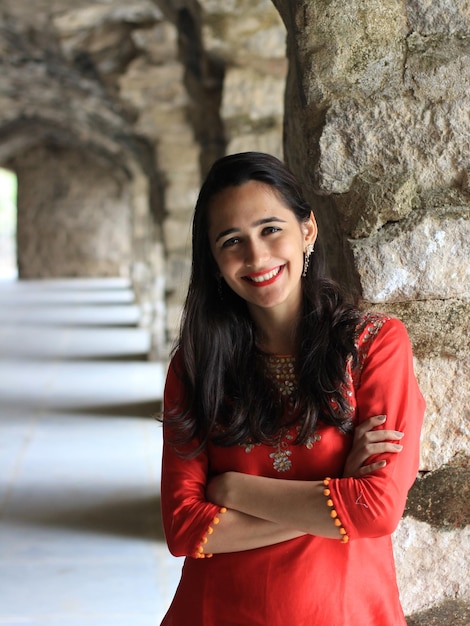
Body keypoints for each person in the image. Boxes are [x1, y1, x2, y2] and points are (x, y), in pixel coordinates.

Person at [159, 152, 425, 625]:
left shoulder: (373, 346)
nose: (256, 257)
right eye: (232, 241)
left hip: (346, 613)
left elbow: (377, 510)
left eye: (270, 229)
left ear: (307, 231)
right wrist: (338, 488)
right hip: (217, 613)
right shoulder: (198, 365)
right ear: (215, 260)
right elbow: (185, 530)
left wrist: (232, 488)